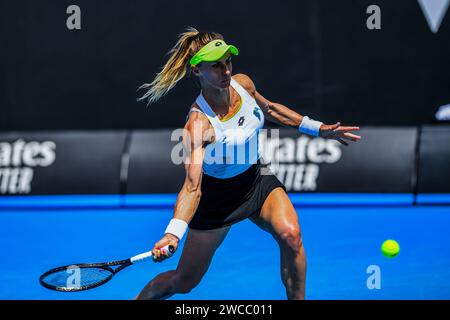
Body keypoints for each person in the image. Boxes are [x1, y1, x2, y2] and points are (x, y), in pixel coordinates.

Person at [135, 27, 361, 300]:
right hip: (217, 199)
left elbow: (271, 109)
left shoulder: (243, 84)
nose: (226, 71)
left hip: (256, 179)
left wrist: (318, 128)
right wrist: (173, 233)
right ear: (197, 71)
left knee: (291, 236)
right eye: (216, 66)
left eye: (228, 62)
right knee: (183, 282)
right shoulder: (198, 126)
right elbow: (192, 188)